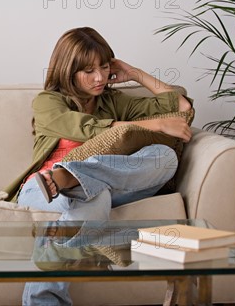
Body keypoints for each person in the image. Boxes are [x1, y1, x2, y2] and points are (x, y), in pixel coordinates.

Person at [15, 27, 192, 306]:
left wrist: (134, 73)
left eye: (104, 66)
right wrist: (154, 124)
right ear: (67, 70)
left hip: (100, 182)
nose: (99, 77)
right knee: (96, 198)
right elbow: (87, 128)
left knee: (164, 156)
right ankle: (71, 181)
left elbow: (181, 106)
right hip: (45, 187)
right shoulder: (48, 101)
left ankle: (74, 177)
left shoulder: (113, 100)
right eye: (88, 70)